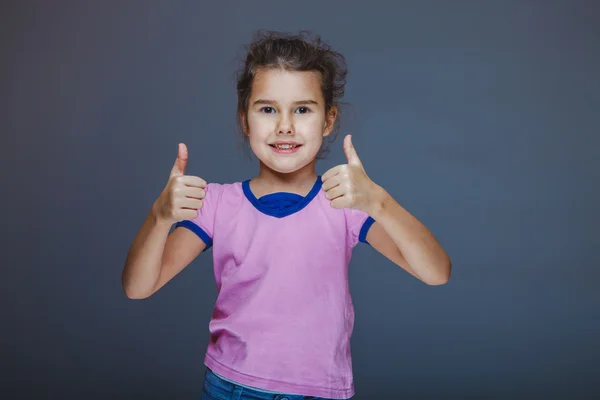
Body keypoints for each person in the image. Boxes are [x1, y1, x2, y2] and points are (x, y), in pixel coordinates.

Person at [122, 30, 451, 400]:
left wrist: (380, 203)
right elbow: (138, 287)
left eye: (302, 109)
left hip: (319, 391)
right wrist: (159, 217)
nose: (284, 126)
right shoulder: (216, 204)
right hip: (231, 388)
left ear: (328, 121)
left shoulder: (344, 205)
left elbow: (436, 272)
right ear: (244, 120)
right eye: (267, 109)